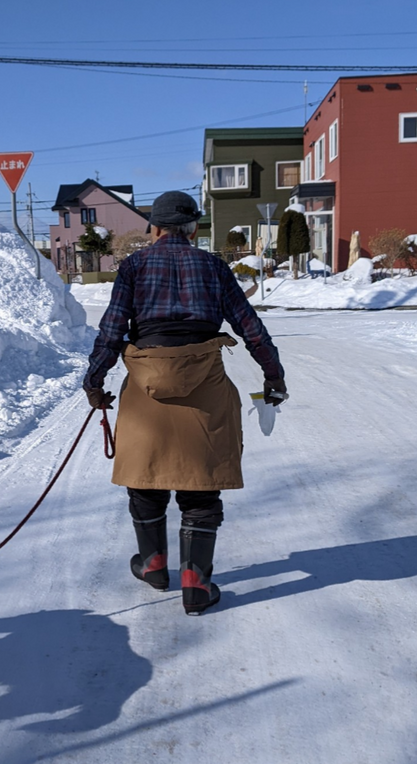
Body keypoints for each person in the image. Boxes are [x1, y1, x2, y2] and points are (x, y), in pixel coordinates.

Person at [83, 190, 287, 615]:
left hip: (145, 387)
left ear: (154, 228)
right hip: (205, 384)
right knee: (201, 485)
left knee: (146, 477)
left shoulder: (134, 266)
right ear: (194, 229)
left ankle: (154, 565)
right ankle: (196, 583)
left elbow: (112, 330)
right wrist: (274, 376)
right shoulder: (214, 267)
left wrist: (94, 380)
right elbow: (251, 328)